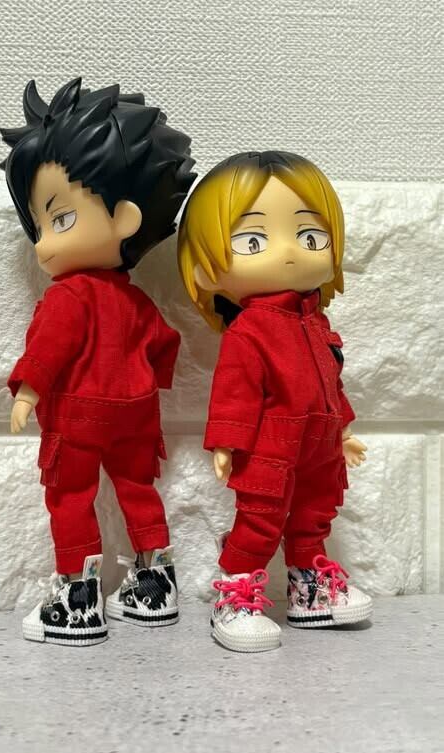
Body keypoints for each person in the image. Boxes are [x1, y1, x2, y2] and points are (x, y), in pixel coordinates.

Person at [0, 77, 196, 645]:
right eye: (39, 226)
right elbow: (164, 344)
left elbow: (49, 349)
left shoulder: (70, 295)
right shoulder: (135, 300)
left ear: (127, 218)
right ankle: (155, 585)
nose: (43, 244)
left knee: (70, 497)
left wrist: (29, 390)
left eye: (59, 220)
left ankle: (77, 599)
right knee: (138, 489)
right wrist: (145, 382)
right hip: (136, 415)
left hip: (80, 417)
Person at [177, 151, 371, 653]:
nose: (288, 252)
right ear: (205, 271)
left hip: (320, 445)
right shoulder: (250, 331)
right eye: (253, 241)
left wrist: (344, 430)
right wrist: (226, 443)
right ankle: (235, 593)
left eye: (309, 236)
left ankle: (309, 589)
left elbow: (332, 383)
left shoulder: (317, 324)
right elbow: (235, 390)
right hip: (270, 447)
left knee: (314, 514)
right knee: (260, 520)